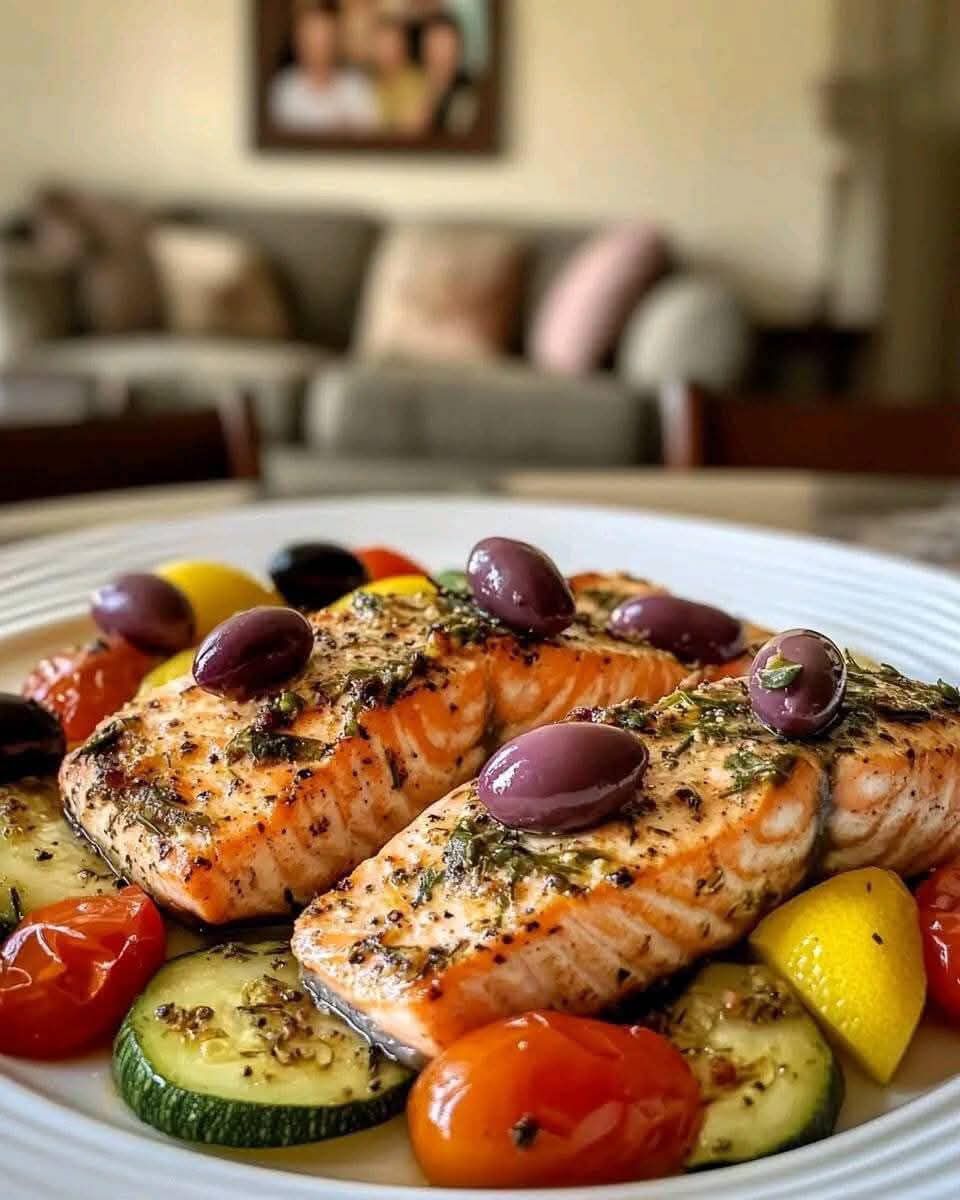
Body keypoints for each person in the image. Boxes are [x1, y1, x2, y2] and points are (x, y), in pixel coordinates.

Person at [269, 0, 377, 133]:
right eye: (311, 38)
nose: (318, 47)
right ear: (298, 42)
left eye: (325, 39)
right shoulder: (285, 89)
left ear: (337, 41)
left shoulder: (358, 88)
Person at [419, 11, 477, 136]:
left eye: (446, 45)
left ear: (459, 50)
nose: (441, 54)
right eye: (435, 45)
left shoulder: (469, 94)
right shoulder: (411, 84)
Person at [372, 16, 427, 133]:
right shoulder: (366, 82)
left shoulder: (416, 83)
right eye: (381, 44)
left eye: (391, 44)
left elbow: (411, 129)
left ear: (403, 47)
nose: (386, 51)